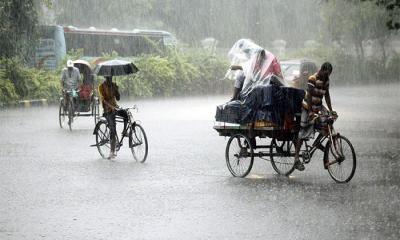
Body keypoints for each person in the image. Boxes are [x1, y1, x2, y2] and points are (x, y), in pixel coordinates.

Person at [294, 62, 334, 171]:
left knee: (328, 123)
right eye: (326, 73)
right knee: (303, 132)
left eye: (329, 74)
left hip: (319, 106)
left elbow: (326, 95)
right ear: (321, 70)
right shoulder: (313, 78)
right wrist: (311, 112)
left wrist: (331, 110)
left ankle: (317, 143)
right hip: (308, 106)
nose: (327, 76)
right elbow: (310, 96)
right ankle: (296, 159)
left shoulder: (326, 80)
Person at [98, 76, 128, 159]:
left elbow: (118, 98)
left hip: (115, 107)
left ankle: (124, 131)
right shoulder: (101, 87)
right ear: (105, 78)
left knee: (126, 114)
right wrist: (111, 107)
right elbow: (103, 100)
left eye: (110, 77)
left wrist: (117, 90)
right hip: (107, 110)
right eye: (108, 78)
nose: (109, 79)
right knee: (113, 129)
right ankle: (111, 151)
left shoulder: (114, 85)